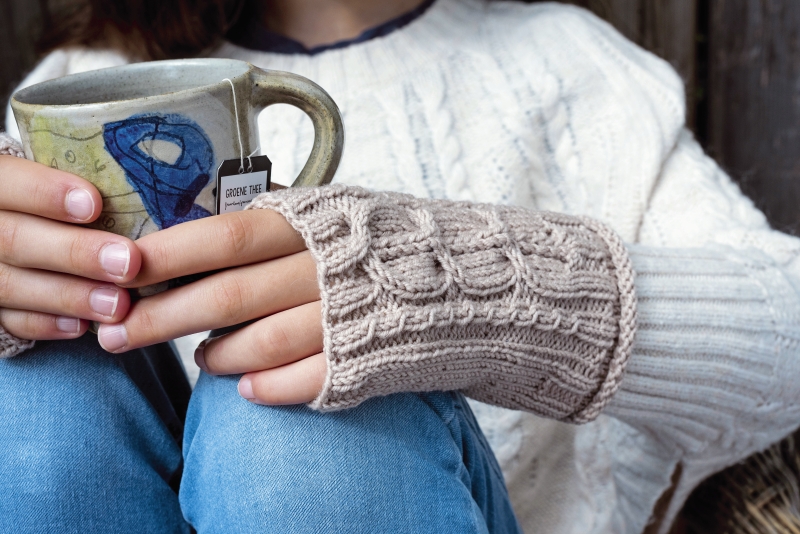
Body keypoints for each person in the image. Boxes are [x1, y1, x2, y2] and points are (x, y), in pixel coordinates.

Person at [1, 0, 799, 532]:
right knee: (36, 386)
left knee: (292, 414)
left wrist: (463, 291)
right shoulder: (75, 82)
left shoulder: (567, 66)